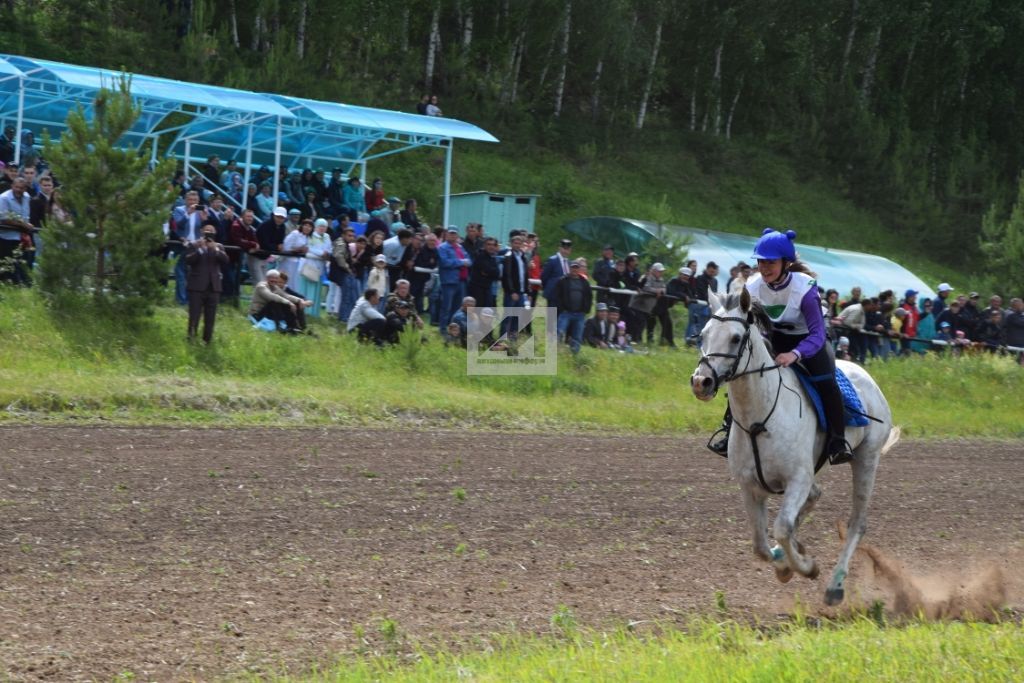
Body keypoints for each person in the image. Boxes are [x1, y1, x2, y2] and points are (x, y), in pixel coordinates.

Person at [708, 229, 855, 465]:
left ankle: (838, 441)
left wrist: (795, 354)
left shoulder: (805, 288)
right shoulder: (752, 286)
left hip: (810, 339)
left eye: (771, 262)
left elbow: (818, 334)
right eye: (761, 261)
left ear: (786, 263)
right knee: (741, 372)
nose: (765, 267)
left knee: (826, 380)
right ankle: (728, 431)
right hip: (776, 337)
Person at [185, 224, 229, 343]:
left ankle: (207, 341)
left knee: (210, 317)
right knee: (194, 315)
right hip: (197, 287)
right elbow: (189, 260)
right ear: (201, 232)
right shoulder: (194, 244)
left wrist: (215, 249)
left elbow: (226, 260)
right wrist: (200, 249)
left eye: (211, 231)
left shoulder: (219, 246)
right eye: (206, 231)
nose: (209, 233)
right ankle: (191, 339)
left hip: (214, 287)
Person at [250, 269, 311, 333]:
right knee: (275, 302)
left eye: (276, 278)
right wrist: (289, 303)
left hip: (268, 313)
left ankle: (300, 327)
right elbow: (272, 296)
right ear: (267, 278)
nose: (274, 280)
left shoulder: (274, 287)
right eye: (271, 278)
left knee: (295, 303)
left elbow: (286, 296)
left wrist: (300, 300)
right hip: (257, 315)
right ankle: (280, 326)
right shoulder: (261, 286)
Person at [552, 260, 593, 353]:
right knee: (560, 333)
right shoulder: (562, 281)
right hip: (566, 313)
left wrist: (586, 309)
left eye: (576, 268)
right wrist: (562, 309)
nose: (574, 270)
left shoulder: (585, 282)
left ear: (579, 269)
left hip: (580, 315)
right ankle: (555, 353)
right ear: (569, 268)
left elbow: (589, 296)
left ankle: (574, 355)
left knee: (577, 337)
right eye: (573, 267)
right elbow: (557, 296)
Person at [437, 227, 472, 328]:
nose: (453, 235)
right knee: (446, 307)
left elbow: (469, 260)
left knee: (457, 308)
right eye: (450, 233)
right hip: (449, 281)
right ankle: (443, 329)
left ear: (457, 235)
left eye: (454, 234)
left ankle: (454, 330)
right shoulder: (442, 247)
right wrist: (461, 262)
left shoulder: (460, 247)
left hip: (462, 281)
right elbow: (444, 262)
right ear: (446, 235)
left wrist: (464, 262)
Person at [468, 236, 500, 307]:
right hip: (477, 288)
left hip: (487, 288)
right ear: (484, 245)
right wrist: (490, 272)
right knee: (477, 311)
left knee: (487, 311)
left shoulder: (492, 257)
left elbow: (497, 274)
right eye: (489, 244)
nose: (491, 247)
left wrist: (488, 273)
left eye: (493, 245)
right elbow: (487, 269)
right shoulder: (479, 255)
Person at [541, 238, 573, 302]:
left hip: (564, 295)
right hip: (553, 294)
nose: (565, 251)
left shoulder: (569, 262)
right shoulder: (552, 260)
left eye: (568, 249)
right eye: (564, 248)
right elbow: (544, 277)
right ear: (560, 248)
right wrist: (549, 288)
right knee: (552, 312)